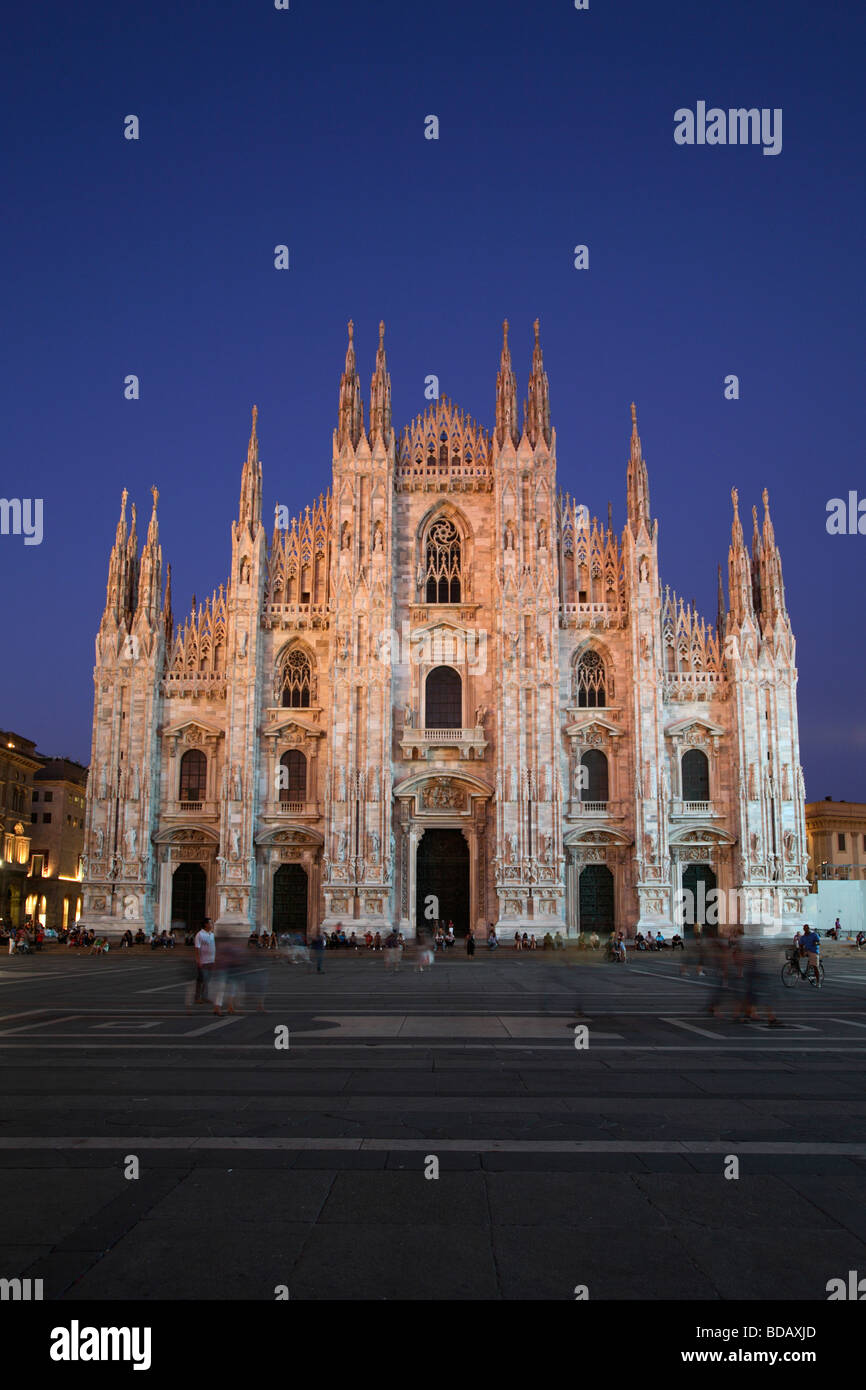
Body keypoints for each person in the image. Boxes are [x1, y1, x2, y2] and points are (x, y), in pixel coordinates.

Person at [192, 919, 216, 1005]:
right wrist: (198, 960)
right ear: (206, 924)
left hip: (211, 960)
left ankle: (205, 997)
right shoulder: (199, 935)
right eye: (210, 923)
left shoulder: (212, 934)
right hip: (203, 961)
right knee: (201, 980)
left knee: (208, 980)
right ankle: (197, 997)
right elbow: (197, 948)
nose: (212, 924)